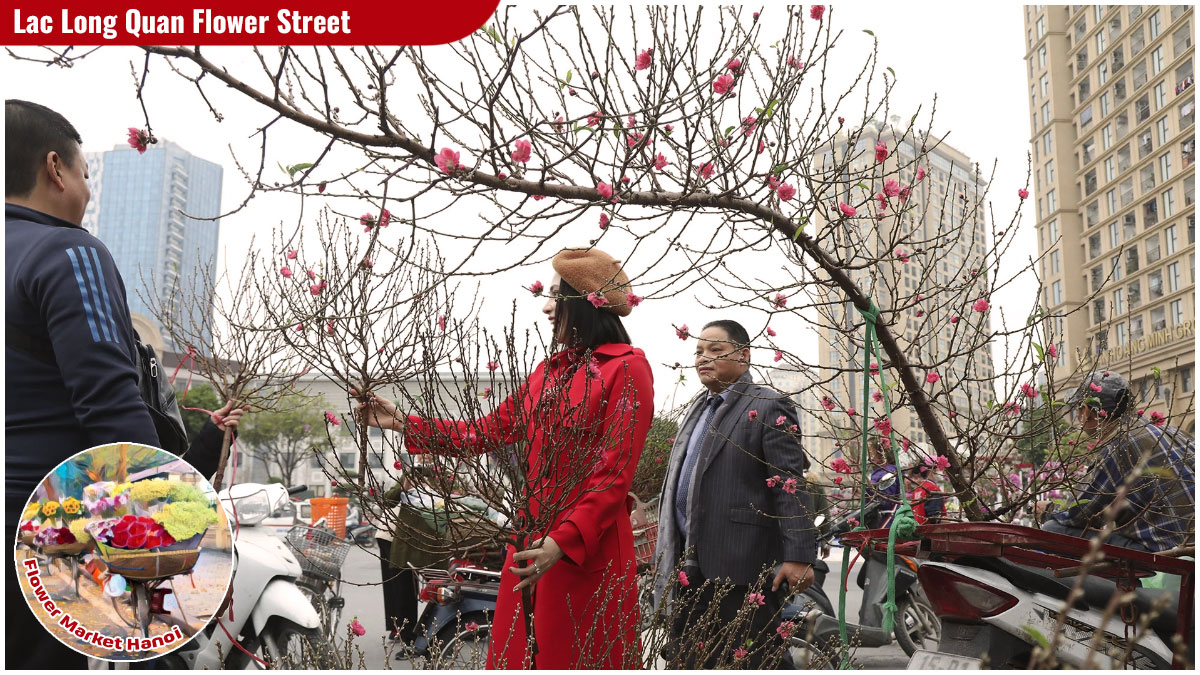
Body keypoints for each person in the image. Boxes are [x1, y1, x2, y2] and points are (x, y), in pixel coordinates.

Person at [6, 100, 245, 669]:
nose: (87, 191)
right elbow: (110, 405)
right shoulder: (65, 250)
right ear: (55, 169)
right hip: (45, 528)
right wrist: (174, 532)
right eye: (85, 174)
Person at [355, 247, 653, 669]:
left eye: (556, 295)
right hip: (531, 540)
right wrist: (404, 423)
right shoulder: (547, 372)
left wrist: (562, 542)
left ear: (586, 303)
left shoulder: (626, 369)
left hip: (587, 548)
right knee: (521, 655)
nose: (547, 306)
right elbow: (487, 431)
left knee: (579, 657)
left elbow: (613, 474)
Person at [653, 319, 816, 668]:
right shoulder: (698, 410)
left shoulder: (769, 405)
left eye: (715, 349)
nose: (703, 358)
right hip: (689, 566)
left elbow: (790, 484)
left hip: (741, 565)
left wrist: (799, 557)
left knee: (753, 661)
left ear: (743, 355)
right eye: (698, 351)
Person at [1035, 372, 1195, 553]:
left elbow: (1079, 515)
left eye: (1078, 409)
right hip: (1191, 543)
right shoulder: (1171, 432)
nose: (1078, 416)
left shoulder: (1120, 446)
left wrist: (1047, 512)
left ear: (1087, 411)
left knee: (1053, 530)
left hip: (1166, 551)